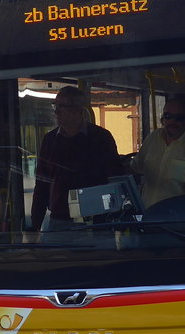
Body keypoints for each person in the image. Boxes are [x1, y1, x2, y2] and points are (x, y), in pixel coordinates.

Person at [29, 87, 122, 235]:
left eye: (62, 106)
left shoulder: (101, 138)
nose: (56, 112)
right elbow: (42, 183)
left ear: (78, 110)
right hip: (59, 219)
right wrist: (35, 225)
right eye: (55, 106)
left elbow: (114, 178)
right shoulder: (50, 140)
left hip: (96, 220)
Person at [131, 94, 185, 206]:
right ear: (163, 118)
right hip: (147, 214)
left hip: (176, 218)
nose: (173, 122)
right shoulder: (153, 138)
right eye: (168, 116)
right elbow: (135, 168)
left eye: (179, 118)